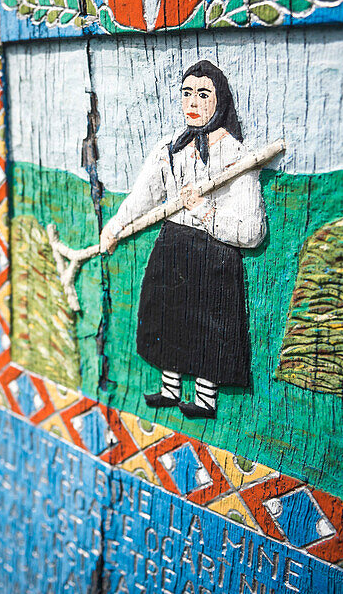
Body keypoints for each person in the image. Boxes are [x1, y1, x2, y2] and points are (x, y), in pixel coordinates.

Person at [100, 60, 266, 419]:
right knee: (167, 317)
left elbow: (253, 232)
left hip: (215, 255)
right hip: (173, 246)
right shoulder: (169, 149)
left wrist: (206, 212)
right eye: (186, 92)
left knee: (207, 325)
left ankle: (206, 398)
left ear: (220, 100)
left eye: (203, 94)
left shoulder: (237, 157)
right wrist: (114, 227)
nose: (192, 101)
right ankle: (169, 388)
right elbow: (143, 195)